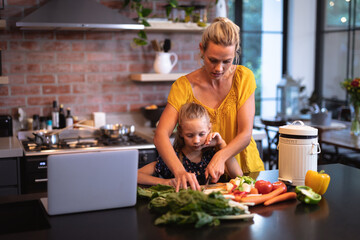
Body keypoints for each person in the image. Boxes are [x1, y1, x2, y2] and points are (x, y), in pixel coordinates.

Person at [153, 17, 265, 191]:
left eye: (227, 61)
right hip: (206, 181)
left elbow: (245, 133)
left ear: (235, 53)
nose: (219, 68)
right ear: (201, 50)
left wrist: (220, 156)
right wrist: (180, 171)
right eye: (213, 60)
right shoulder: (183, 86)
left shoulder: (244, 77)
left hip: (244, 173)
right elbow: (161, 135)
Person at [138, 103, 242, 187]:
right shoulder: (173, 158)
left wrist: (221, 144)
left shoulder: (213, 156)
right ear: (181, 132)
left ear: (209, 129)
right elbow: (136, 176)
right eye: (190, 135)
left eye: (201, 134)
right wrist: (166, 182)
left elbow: (238, 175)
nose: (196, 140)